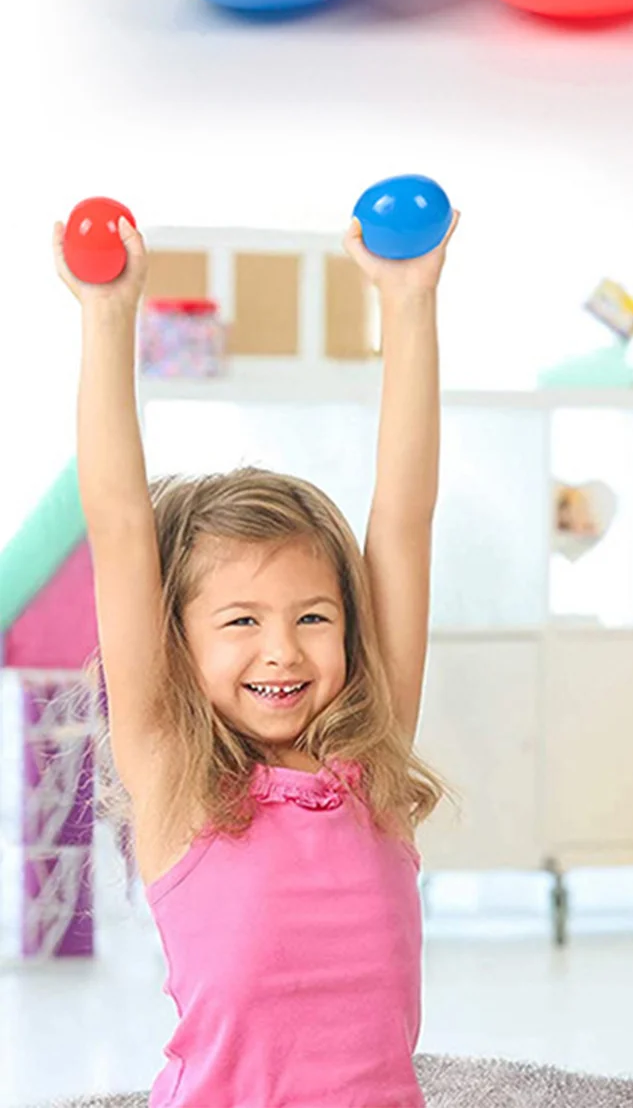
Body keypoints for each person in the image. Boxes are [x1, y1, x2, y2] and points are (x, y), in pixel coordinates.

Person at [57, 208, 454, 1108]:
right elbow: (119, 526)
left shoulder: (373, 768)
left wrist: (409, 302)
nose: (283, 650)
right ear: (177, 641)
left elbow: (403, 518)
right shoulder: (173, 777)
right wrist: (109, 314)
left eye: (313, 617)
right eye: (240, 621)